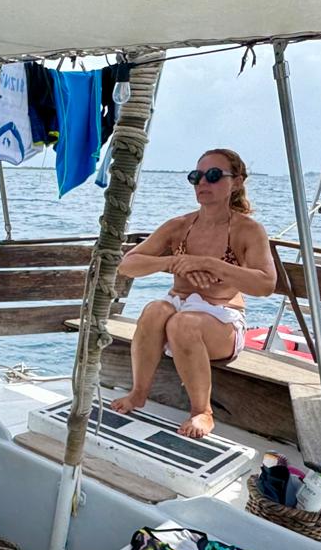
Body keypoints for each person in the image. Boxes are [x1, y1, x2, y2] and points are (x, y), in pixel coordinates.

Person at [109, 148, 276, 438]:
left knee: (182, 323)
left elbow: (265, 284)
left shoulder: (248, 231)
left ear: (236, 182)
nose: (203, 183)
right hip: (178, 311)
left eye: (213, 176)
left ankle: (202, 411)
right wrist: (174, 262)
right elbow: (128, 264)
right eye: (196, 177)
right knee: (154, 310)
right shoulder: (180, 226)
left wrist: (211, 265)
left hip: (221, 321)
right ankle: (138, 393)